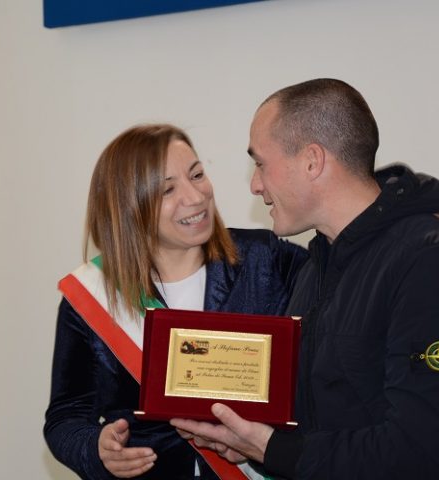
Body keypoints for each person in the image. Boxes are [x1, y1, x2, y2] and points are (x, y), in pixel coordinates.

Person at [171, 79, 439, 479]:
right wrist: (252, 443)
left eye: (260, 163)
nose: (255, 185)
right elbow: (329, 419)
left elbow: (427, 453)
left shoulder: (433, 265)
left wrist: (273, 448)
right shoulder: (318, 266)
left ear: (312, 161)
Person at [43, 124, 309, 479]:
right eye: (168, 189)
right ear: (129, 207)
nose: (196, 196)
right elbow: (65, 417)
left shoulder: (270, 261)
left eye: (197, 174)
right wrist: (97, 448)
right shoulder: (93, 296)